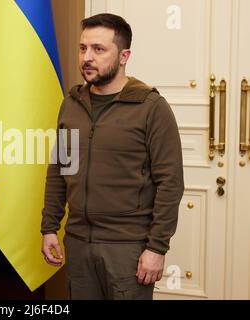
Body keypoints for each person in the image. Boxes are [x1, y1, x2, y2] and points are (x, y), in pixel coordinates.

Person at [41, 13, 184, 300]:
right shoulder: (71, 104)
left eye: (99, 49)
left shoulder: (152, 107)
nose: (87, 57)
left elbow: (170, 182)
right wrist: (49, 227)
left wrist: (156, 248)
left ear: (123, 56)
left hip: (127, 249)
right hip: (78, 244)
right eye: (83, 48)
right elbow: (60, 168)